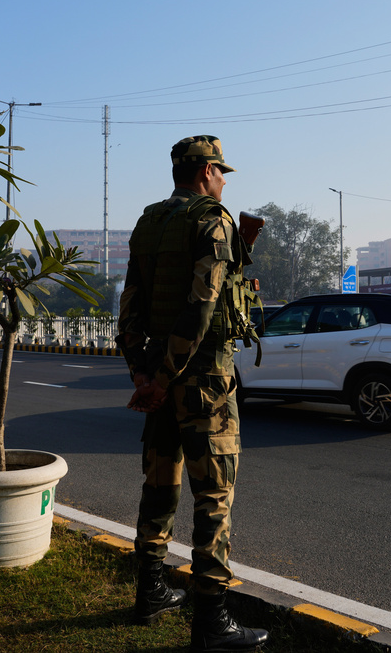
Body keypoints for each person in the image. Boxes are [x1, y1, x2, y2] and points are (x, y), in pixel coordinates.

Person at [116, 135, 267, 652]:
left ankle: (151, 590)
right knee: (214, 498)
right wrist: (164, 377)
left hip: (159, 369)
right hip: (202, 378)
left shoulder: (148, 221)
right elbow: (203, 306)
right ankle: (212, 621)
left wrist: (144, 371)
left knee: (159, 485)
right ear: (204, 172)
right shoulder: (214, 219)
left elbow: (131, 299)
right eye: (221, 171)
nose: (224, 181)